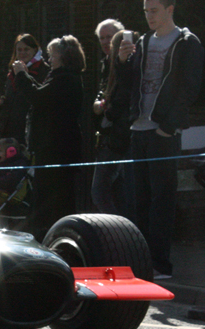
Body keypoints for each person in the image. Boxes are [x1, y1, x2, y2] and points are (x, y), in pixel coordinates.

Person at [117, 0, 204, 279]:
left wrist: (168, 127)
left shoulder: (186, 42)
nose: (148, 16)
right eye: (145, 10)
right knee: (136, 198)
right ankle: (141, 261)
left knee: (162, 200)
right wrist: (121, 62)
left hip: (163, 132)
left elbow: (190, 87)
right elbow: (130, 83)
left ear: (170, 9)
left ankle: (161, 264)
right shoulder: (142, 42)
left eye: (154, 10)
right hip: (139, 129)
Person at [13, 35, 86, 240]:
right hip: (56, 147)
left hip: (56, 148)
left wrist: (21, 75)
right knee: (56, 198)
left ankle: (52, 239)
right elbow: (43, 95)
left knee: (51, 200)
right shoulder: (64, 77)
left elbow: (37, 97)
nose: (49, 59)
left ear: (63, 56)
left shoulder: (64, 78)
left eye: (52, 55)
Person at [91, 30, 138, 216]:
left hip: (118, 139)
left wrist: (108, 115)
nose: (105, 42)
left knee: (100, 192)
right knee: (118, 193)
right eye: (101, 38)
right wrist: (99, 105)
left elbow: (123, 98)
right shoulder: (109, 67)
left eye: (109, 38)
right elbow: (105, 93)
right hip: (112, 138)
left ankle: (120, 232)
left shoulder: (129, 68)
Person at [0, 34, 50, 145]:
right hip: (8, 133)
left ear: (35, 50)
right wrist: (2, 101)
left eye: (26, 49)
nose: (22, 53)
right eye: (19, 50)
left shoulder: (44, 71)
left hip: (28, 133)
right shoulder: (13, 71)